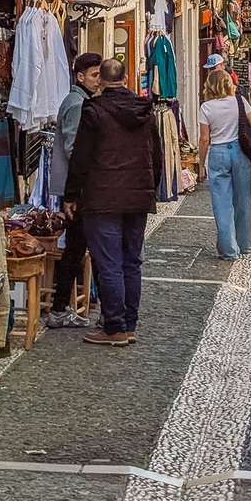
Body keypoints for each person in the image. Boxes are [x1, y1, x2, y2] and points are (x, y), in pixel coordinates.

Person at [64, 58, 162, 347]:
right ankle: (128, 324)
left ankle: (115, 326)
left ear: (101, 80)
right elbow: (156, 157)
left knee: (109, 263)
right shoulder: (144, 112)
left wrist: (71, 195)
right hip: (136, 197)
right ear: (127, 77)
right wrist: (149, 188)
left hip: (102, 197)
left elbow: (81, 158)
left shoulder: (93, 111)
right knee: (132, 262)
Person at [46, 52, 103, 330]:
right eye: (94, 75)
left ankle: (61, 308)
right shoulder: (77, 104)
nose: (98, 80)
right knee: (76, 249)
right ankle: (59, 308)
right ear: (80, 77)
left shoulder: (79, 101)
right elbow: (74, 148)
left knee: (76, 248)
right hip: (77, 188)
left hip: (75, 186)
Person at [198, 70, 251, 260]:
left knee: (222, 203)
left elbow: (204, 139)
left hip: (218, 152)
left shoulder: (206, 107)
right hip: (240, 152)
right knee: (243, 200)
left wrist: (201, 164)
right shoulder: (240, 101)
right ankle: (245, 245)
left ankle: (228, 249)